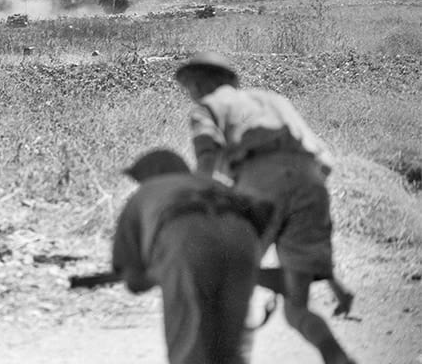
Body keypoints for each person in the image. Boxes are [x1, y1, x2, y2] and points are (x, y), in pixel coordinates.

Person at [175, 52, 356, 364]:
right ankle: (339, 359)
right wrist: (331, 280)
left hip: (259, 185)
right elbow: (324, 162)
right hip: (311, 182)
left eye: (187, 85)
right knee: (296, 309)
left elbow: (206, 167)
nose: (188, 91)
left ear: (197, 82)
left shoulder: (206, 109)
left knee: (227, 280)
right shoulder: (274, 100)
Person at [112, 148, 273, 364]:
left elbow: (133, 281)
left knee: (189, 346)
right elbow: (263, 212)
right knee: (231, 351)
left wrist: (159, 272)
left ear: (151, 174)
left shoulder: (144, 193)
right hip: (243, 239)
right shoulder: (215, 184)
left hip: (185, 240)